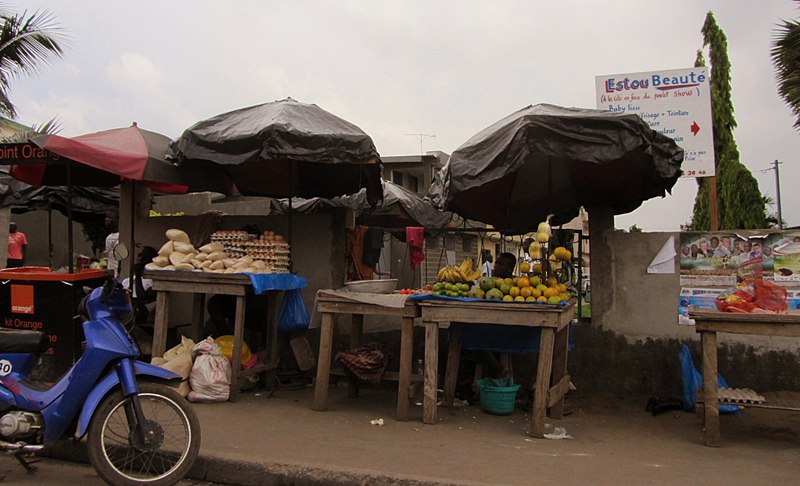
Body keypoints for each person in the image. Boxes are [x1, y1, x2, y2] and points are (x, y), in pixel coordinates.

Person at [121, 246, 158, 324]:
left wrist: (138, 275)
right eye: (139, 255)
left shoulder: (153, 282)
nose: (140, 259)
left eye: (145, 256)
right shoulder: (127, 281)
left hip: (139, 312)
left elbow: (143, 298)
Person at [104, 210, 120, 275]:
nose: (106, 220)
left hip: (119, 276)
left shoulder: (122, 237)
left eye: (110, 217)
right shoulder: (108, 238)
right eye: (106, 217)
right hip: (111, 275)